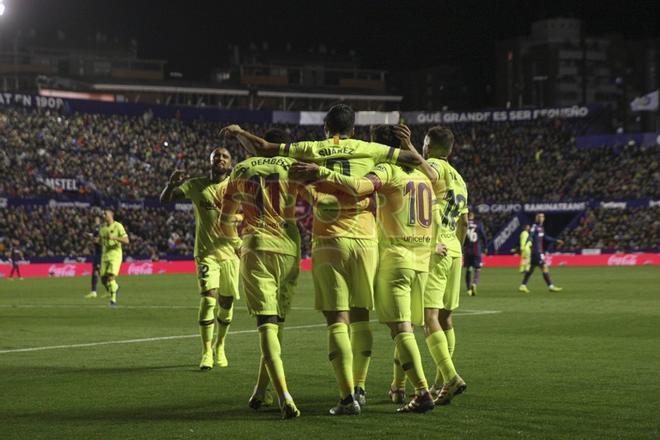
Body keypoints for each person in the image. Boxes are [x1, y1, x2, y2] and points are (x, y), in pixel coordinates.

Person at [221, 104, 421, 416]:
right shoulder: (370, 148)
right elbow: (413, 161)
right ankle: (361, 385)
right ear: (353, 129)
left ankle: (346, 398)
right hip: (367, 240)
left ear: (326, 127)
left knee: (336, 321)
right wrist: (407, 145)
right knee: (360, 316)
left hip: (328, 240)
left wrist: (238, 132)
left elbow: (265, 149)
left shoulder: (311, 149)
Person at [290, 124, 435, 413]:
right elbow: (432, 176)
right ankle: (391, 386)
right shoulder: (424, 176)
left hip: (391, 254)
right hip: (421, 260)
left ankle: (416, 391)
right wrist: (414, 151)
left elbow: (357, 188)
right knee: (389, 325)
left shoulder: (385, 171)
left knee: (393, 327)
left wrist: (321, 174)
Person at [220, 128, 303, 419]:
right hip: (290, 246)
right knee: (276, 324)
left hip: (255, 244)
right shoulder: (292, 166)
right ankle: (260, 390)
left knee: (266, 324)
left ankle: (284, 396)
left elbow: (225, 221)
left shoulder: (241, 169)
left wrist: (236, 245)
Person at [160, 147, 239, 370]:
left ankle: (220, 345)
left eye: (225, 156)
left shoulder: (237, 186)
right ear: (210, 161)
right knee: (208, 299)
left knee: (226, 302)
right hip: (206, 253)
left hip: (232, 253)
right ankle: (206, 352)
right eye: (217, 156)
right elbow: (165, 199)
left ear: (230, 163)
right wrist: (171, 183)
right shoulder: (196, 185)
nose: (221, 159)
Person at [421, 127, 469, 405]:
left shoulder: (434, 168)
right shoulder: (461, 179)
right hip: (454, 251)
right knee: (446, 319)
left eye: (424, 143)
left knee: (429, 319)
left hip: (436, 251)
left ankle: (450, 378)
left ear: (430, 146)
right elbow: (464, 222)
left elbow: (423, 170)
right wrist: (459, 250)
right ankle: (441, 382)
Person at [518, 213, 564, 293]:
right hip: (536, 252)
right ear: (538, 218)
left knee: (531, 269)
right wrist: (528, 243)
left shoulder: (541, 228)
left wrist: (556, 241)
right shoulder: (534, 227)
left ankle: (523, 285)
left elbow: (545, 237)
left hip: (538, 252)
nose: (543, 218)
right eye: (541, 217)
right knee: (544, 267)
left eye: (543, 217)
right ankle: (550, 286)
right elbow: (531, 235)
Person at [99, 209, 129, 306]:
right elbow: (100, 241)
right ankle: (114, 287)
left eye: (105, 214)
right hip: (105, 254)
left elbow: (126, 240)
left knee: (111, 276)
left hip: (115, 253)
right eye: (103, 214)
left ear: (111, 215)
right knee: (103, 278)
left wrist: (115, 237)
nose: (104, 215)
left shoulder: (118, 226)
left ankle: (113, 300)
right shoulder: (102, 228)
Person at [463, 212, 488, 296]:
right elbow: (484, 236)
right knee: (478, 269)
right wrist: (485, 247)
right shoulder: (479, 224)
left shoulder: (464, 223)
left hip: (467, 250)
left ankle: (468, 289)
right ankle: (474, 284)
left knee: (468, 269)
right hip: (476, 250)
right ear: (473, 216)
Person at [85, 215, 103, 298]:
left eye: (97, 219)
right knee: (95, 272)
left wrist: (91, 238)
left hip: (100, 253)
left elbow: (98, 240)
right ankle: (93, 291)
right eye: (95, 219)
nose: (96, 220)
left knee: (98, 272)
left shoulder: (101, 229)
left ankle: (112, 289)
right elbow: (95, 238)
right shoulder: (96, 229)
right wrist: (90, 235)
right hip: (97, 253)